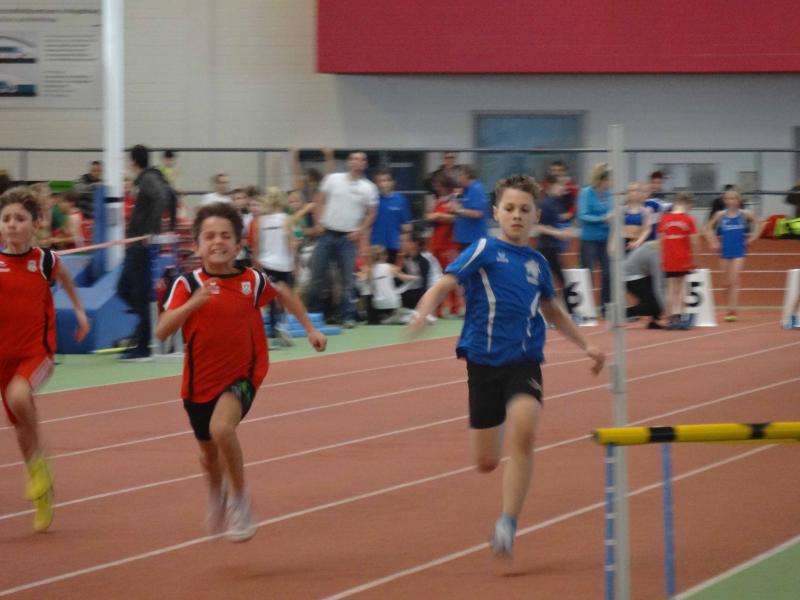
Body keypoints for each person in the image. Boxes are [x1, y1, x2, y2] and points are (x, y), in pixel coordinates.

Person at [406, 175, 604, 558]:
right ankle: (495, 437)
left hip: (523, 360)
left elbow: (552, 311)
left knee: (525, 430)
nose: (516, 216)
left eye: (524, 210)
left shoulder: (537, 263)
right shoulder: (484, 249)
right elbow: (445, 284)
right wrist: (422, 312)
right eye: (509, 208)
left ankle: (508, 522)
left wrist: (588, 345)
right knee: (486, 462)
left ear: (535, 216)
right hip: (482, 363)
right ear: (496, 213)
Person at [156, 202, 326, 542]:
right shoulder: (187, 284)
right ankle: (217, 491)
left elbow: (284, 293)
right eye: (209, 236)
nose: (217, 242)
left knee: (222, 429)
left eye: (225, 236)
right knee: (208, 453)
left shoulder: (252, 280)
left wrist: (310, 329)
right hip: (198, 382)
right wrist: (194, 303)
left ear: (238, 245)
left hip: (244, 374)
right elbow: (162, 330)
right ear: (197, 245)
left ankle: (240, 499)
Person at [0, 186, 90, 532]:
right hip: (4, 357)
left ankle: (41, 463)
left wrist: (79, 312)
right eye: (6, 219)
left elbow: (66, 278)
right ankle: (41, 488)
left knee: (19, 397)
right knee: (20, 427)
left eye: (19, 218)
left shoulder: (45, 261)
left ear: (35, 224)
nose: (12, 224)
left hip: (38, 353)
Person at [308, 151, 378, 327]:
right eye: (354, 159)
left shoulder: (369, 188)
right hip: (327, 234)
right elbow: (319, 200)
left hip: (348, 238)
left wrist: (360, 231)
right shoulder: (333, 179)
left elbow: (371, 213)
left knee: (348, 280)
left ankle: (347, 316)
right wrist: (318, 222)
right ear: (348, 162)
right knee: (317, 276)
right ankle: (313, 316)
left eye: (362, 159)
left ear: (365, 164)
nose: (358, 162)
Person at [118, 144, 172, 361]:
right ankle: (144, 327)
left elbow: (161, 197)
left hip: (142, 245)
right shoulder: (142, 181)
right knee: (123, 288)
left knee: (138, 292)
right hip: (134, 244)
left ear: (133, 161)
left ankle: (143, 342)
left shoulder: (148, 178)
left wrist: (150, 229)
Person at [252, 187, 314, 343]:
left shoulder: (260, 221)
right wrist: (295, 262)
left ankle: (276, 331)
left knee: (272, 298)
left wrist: (257, 264)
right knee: (286, 298)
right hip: (284, 264)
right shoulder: (286, 219)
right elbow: (292, 243)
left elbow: (257, 245)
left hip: (267, 263)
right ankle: (281, 327)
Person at [705, 188, 763, 322]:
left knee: (734, 279)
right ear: (725, 200)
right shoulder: (720, 215)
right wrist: (713, 242)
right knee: (725, 282)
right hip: (724, 250)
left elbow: (760, 223)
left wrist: (754, 238)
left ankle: (733, 310)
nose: (731, 201)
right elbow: (707, 228)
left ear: (739, 200)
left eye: (734, 198)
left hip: (739, 250)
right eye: (729, 199)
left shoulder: (745, 214)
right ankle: (727, 308)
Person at [659, 192, 700, 330]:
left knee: (670, 288)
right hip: (682, 257)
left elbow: (661, 240)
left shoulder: (664, 218)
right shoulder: (688, 220)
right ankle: (681, 316)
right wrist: (695, 259)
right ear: (688, 204)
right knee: (681, 287)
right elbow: (695, 241)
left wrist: (661, 258)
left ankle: (671, 318)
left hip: (668, 257)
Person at [536, 174, 576, 312]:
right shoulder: (546, 204)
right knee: (554, 280)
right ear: (552, 186)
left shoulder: (557, 203)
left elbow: (556, 222)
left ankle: (566, 310)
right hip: (546, 248)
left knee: (558, 280)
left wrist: (566, 230)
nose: (563, 188)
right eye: (560, 185)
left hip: (553, 247)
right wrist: (558, 233)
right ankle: (567, 311)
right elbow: (539, 227)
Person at [578, 163, 612, 313]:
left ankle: (606, 307)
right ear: (600, 179)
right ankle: (585, 308)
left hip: (605, 239)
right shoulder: (586, 192)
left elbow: (613, 211)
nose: (610, 182)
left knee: (608, 273)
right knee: (587, 272)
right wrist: (602, 219)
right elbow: (583, 215)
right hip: (589, 239)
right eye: (608, 179)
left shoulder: (610, 195)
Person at [370, 168, 412, 264]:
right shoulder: (372, 200)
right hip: (375, 247)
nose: (383, 184)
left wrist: (405, 244)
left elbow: (406, 226)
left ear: (393, 182)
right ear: (376, 183)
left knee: (393, 272)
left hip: (394, 246)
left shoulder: (401, 200)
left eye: (386, 180)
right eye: (380, 181)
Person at [623, 241, 665, 329]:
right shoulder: (654, 254)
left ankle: (653, 320)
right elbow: (658, 283)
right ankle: (623, 313)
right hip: (631, 279)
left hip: (635, 276)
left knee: (653, 302)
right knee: (656, 307)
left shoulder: (650, 247)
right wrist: (663, 308)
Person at [453, 164, 489, 250]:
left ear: (467, 175)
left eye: (460, 175)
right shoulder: (465, 190)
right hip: (464, 239)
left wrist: (458, 210)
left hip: (473, 240)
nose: (459, 179)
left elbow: (478, 213)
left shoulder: (476, 189)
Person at [621, 182, 652, 253]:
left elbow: (647, 230)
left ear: (641, 193)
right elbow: (615, 229)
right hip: (623, 246)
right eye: (631, 190)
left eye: (637, 190)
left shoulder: (646, 211)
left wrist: (638, 242)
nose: (634, 193)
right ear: (628, 193)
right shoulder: (622, 210)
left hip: (638, 246)